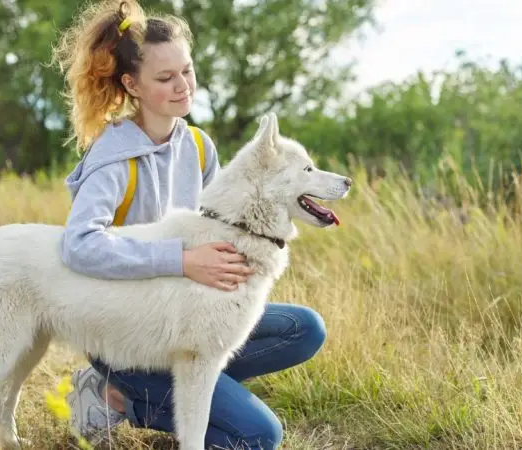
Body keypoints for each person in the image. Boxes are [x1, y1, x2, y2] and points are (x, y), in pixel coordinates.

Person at [50, 1, 327, 448]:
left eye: (187, 71)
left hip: (188, 319)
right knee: (259, 435)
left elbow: (222, 230)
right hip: (129, 335)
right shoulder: (112, 158)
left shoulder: (198, 145)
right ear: (131, 84)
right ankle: (117, 395)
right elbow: (78, 245)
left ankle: (201, 386)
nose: (183, 87)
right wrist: (180, 261)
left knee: (304, 329)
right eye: (165, 78)